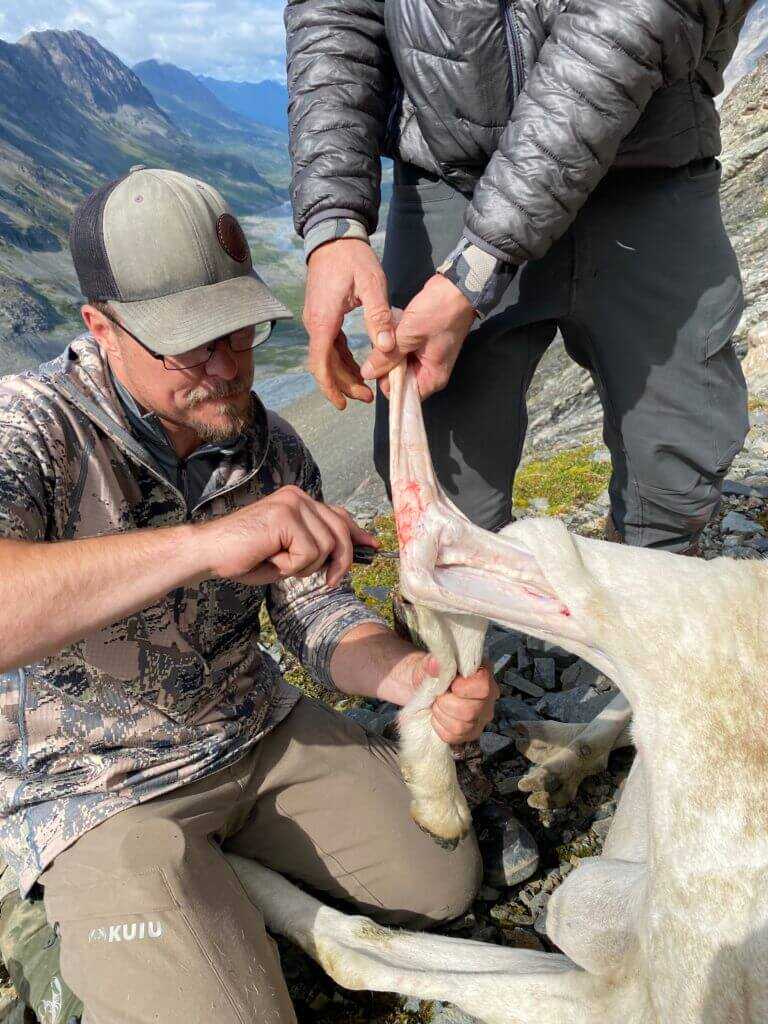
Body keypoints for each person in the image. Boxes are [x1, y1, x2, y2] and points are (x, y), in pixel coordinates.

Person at [0, 167, 493, 1023]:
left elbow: (316, 609)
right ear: (100, 327)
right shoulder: (31, 428)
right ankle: (51, 931)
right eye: (192, 345)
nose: (229, 369)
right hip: (94, 783)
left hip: (250, 728)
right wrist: (201, 545)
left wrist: (410, 680)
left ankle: (204, 887)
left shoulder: (264, 439)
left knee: (440, 882)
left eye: (240, 330)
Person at [287, 0, 753, 553]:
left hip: (650, 161)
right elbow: (336, 11)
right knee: (440, 486)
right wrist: (333, 220)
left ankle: (651, 592)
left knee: (679, 467)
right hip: (450, 172)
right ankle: (460, 621)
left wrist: (475, 266)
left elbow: (631, 21)